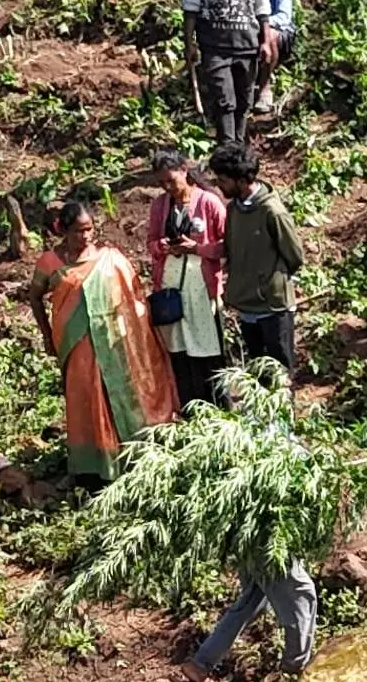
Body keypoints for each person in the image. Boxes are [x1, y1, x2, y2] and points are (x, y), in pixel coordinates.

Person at [28, 197, 178, 480]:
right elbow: (35, 297)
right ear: (63, 230)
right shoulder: (50, 262)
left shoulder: (110, 259)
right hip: (76, 343)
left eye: (89, 229)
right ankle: (94, 465)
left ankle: (132, 454)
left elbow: (133, 299)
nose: (85, 236)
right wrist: (47, 335)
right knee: (87, 396)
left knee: (118, 394)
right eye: (78, 231)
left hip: (112, 343)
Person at [181, 0, 296, 154]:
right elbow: (190, 5)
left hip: (247, 42)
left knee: (244, 100)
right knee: (224, 100)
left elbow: (261, 4)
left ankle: (239, 150)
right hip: (214, 44)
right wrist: (189, 44)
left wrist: (265, 41)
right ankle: (227, 149)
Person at [141, 150, 229, 410]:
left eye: (171, 180)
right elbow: (151, 243)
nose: (168, 187)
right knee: (179, 352)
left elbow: (226, 245)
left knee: (208, 351)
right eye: (162, 183)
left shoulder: (209, 202)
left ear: (184, 170)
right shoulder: (160, 205)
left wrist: (196, 248)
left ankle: (220, 409)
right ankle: (190, 408)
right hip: (172, 288)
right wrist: (163, 245)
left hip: (202, 288)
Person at [211, 148, 309, 379]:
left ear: (243, 180)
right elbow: (231, 249)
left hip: (273, 307)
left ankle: (285, 415)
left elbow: (295, 256)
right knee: (258, 371)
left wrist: (271, 280)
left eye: (223, 180)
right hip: (247, 305)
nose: (219, 186)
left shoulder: (271, 211)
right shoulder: (233, 209)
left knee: (280, 371)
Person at [195, 548, 315, 682]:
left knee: (252, 601)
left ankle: (200, 666)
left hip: (255, 542)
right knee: (302, 594)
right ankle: (293, 672)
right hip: (269, 540)